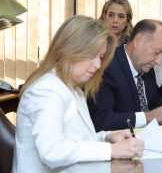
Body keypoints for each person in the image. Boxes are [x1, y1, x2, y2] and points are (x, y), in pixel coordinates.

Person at [12, 16, 144, 172]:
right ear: (70, 49)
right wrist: (111, 150)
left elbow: (75, 139)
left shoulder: (72, 87)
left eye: (100, 57)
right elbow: (52, 150)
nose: (98, 65)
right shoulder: (46, 90)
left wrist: (106, 138)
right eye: (92, 55)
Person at [88, 19, 162, 131]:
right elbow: (102, 120)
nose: (159, 61)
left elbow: (151, 100)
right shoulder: (107, 67)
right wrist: (148, 117)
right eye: (157, 53)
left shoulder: (146, 64)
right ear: (138, 40)